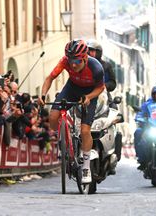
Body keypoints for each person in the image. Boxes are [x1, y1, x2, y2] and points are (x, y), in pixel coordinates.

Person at [38, 39, 105, 183]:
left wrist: (88, 97)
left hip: (89, 92)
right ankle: (62, 139)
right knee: (53, 116)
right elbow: (50, 78)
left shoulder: (96, 67)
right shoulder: (65, 61)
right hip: (72, 88)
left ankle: (86, 167)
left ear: (85, 58)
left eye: (77, 61)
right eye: (71, 61)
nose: (73, 65)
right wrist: (42, 95)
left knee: (85, 131)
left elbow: (101, 88)